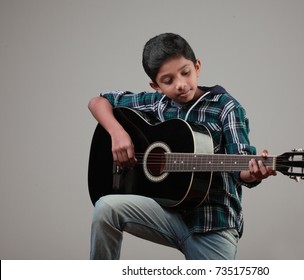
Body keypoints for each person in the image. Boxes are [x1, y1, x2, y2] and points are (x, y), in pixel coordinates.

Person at [88, 33, 276, 260]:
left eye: (185, 72)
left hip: (213, 225)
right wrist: (118, 134)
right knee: (105, 208)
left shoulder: (226, 107)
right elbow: (98, 102)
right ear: (155, 85)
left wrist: (254, 172)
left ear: (197, 67)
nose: (180, 84)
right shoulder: (157, 103)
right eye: (168, 81)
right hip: (168, 214)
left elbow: (241, 169)